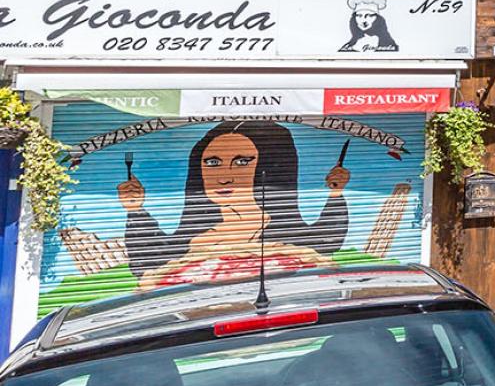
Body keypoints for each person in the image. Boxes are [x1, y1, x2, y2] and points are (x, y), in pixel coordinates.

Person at [116, 120, 350, 286]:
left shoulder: (288, 234)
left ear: (267, 165)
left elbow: (326, 243)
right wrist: (136, 210)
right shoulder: (196, 233)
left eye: (241, 162)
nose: (224, 176)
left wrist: (335, 195)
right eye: (213, 162)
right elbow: (149, 263)